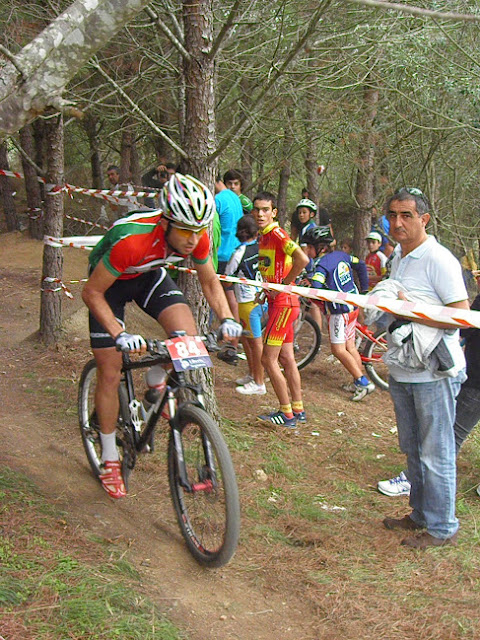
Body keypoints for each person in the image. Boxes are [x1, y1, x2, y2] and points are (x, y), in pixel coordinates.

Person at [81, 173, 243, 500]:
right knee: (110, 372)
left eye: (198, 230)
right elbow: (91, 293)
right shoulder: (132, 240)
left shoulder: (197, 235)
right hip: (110, 284)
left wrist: (227, 318)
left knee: (188, 339)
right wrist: (119, 333)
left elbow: (210, 282)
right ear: (166, 222)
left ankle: (156, 382)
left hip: (149, 275)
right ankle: (109, 458)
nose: (193, 239)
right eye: (185, 230)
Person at [380, 187, 469, 549]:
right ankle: (420, 514)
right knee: (413, 449)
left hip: (434, 375)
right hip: (403, 370)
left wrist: (411, 312)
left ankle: (443, 527)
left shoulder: (439, 259)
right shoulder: (398, 256)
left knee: (436, 452)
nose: (397, 223)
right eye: (392, 215)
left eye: (406, 215)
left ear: (424, 219)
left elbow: (461, 316)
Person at [378, 291, 480, 497]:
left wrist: (413, 313)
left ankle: (415, 480)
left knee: (450, 434)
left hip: (476, 380)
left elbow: (464, 324)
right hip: (473, 375)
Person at [252, 191, 309, 427]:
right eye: (257, 209)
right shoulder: (264, 236)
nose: (260, 214)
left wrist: (283, 285)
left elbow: (302, 259)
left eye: (265, 210)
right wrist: (265, 292)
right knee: (286, 357)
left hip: (284, 304)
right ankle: (298, 409)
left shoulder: (276, 234)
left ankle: (286, 414)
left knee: (267, 359)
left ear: (274, 212)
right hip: (282, 302)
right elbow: (271, 269)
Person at [302, 226, 374, 402]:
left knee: (338, 349)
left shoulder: (321, 265)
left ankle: (362, 382)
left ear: (320, 247)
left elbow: (317, 287)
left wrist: (310, 283)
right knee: (350, 347)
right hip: (353, 306)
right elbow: (361, 265)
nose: (307, 251)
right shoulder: (342, 255)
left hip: (339, 312)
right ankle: (358, 381)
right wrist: (364, 289)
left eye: (309, 247)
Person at [224, 215, 267, 395]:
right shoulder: (261, 248)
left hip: (248, 303)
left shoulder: (239, 252)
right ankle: (252, 374)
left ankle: (259, 382)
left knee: (255, 343)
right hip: (261, 298)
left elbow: (227, 277)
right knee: (248, 340)